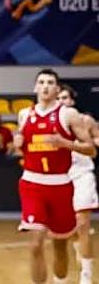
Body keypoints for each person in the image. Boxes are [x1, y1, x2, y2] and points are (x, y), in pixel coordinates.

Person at [14, 68, 96, 284]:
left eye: (50, 82)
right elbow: (25, 150)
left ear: (57, 88)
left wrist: (65, 143)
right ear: (35, 87)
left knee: (61, 245)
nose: (45, 86)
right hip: (32, 183)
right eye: (41, 82)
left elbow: (91, 149)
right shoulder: (24, 115)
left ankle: (63, 280)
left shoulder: (69, 115)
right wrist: (17, 146)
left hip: (60, 184)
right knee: (35, 244)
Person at [62, 84, 97, 284]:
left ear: (72, 101)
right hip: (60, 177)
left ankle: (86, 276)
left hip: (82, 174)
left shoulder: (85, 120)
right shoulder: (50, 124)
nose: (62, 101)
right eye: (59, 98)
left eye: (66, 97)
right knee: (68, 229)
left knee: (83, 224)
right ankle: (79, 250)